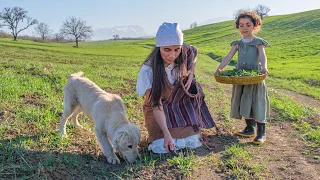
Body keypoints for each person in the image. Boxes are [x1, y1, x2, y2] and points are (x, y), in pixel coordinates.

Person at [136, 22, 217, 154]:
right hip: (157, 110)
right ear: (159, 48)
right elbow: (156, 105)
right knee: (161, 147)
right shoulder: (148, 70)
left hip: (177, 106)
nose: (172, 55)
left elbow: (194, 52)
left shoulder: (184, 51)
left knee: (192, 142)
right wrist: (166, 134)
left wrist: (191, 72)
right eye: (166, 50)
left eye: (176, 49)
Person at [216, 11, 270, 145]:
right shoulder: (237, 43)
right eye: (241, 25)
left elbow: (263, 56)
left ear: (255, 26)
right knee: (245, 102)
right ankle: (249, 128)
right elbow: (228, 56)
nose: (244, 28)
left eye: (248, 24)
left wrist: (264, 67)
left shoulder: (258, 42)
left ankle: (261, 133)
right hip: (242, 78)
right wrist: (220, 67)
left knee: (257, 102)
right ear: (238, 27)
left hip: (255, 78)